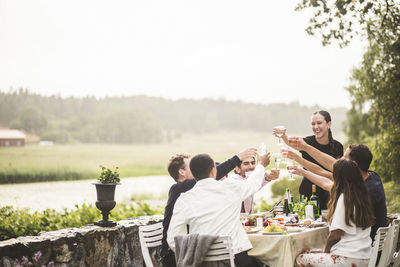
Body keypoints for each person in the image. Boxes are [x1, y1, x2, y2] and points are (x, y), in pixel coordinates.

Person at [167, 152, 278, 267]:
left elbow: (173, 239)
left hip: (201, 263)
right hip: (237, 260)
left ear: (193, 174)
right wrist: (261, 165)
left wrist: (196, 251)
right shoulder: (230, 187)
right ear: (213, 171)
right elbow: (253, 183)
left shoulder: (184, 199)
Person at [288, 143, 387, 240]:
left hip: (363, 248)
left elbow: (327, 183)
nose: (339, 160)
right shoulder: (371, 176)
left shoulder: (363, 192)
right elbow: (328, 174)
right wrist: (303, 169)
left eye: (344, 158)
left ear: (354, 165)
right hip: (365, 246)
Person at [295, 159, 375, 267]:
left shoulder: (345, 198)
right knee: (313, 252)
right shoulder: (362, 197)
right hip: (365, 257)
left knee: (300, 258)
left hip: (347, 259)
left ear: (340, 178)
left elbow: (335, 236)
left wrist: (325, 252)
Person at [274, 110, 343, 210]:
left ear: (329, 124)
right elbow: (290, 143)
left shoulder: (338, 146)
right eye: (313, 124)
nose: (316, 127)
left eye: (319, 123)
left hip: (329, 190)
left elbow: (337, 172)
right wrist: (283, 135)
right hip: (308, 189)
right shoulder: (307, 142)